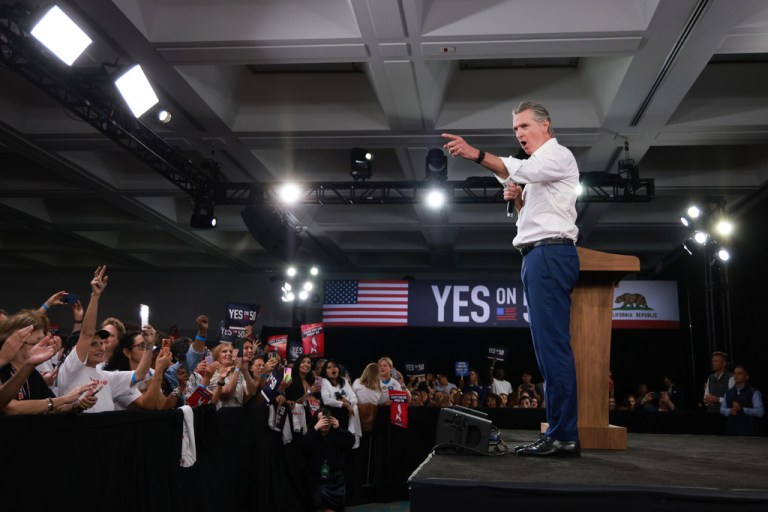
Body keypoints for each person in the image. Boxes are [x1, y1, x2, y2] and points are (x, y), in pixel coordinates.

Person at [444, 101, 580, 457]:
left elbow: (514, 168)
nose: (519, 133)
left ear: (545, 125)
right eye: (515, 129)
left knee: (554, 349)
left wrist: (475, 154)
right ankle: (558, 432)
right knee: (546, 353)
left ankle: (565, 435)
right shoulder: (538, 170)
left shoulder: (557, 155)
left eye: (524, 126)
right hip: (537, 255)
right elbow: (531, 217)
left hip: (550, 255)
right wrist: (520, 201)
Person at [303, 407, 355, 512]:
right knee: (321, 494)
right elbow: (304, 446)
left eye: (326, 420)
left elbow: (350, 443)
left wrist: (339, 429)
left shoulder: (337, 434)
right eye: (321, 420)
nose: (325, 423)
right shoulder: (313, 435)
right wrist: (315, 428)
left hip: (336, 479)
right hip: (317, 478)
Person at [720, 364, 764, 436]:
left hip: (749, 434)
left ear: (747, 377)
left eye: (739, 373)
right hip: (731, 433)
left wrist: (742, 409)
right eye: (735, 373)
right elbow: (722, 409)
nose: (736, 375)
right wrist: (729, 411)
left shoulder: (754, 393)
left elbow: (760, 412)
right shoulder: (728, 393)